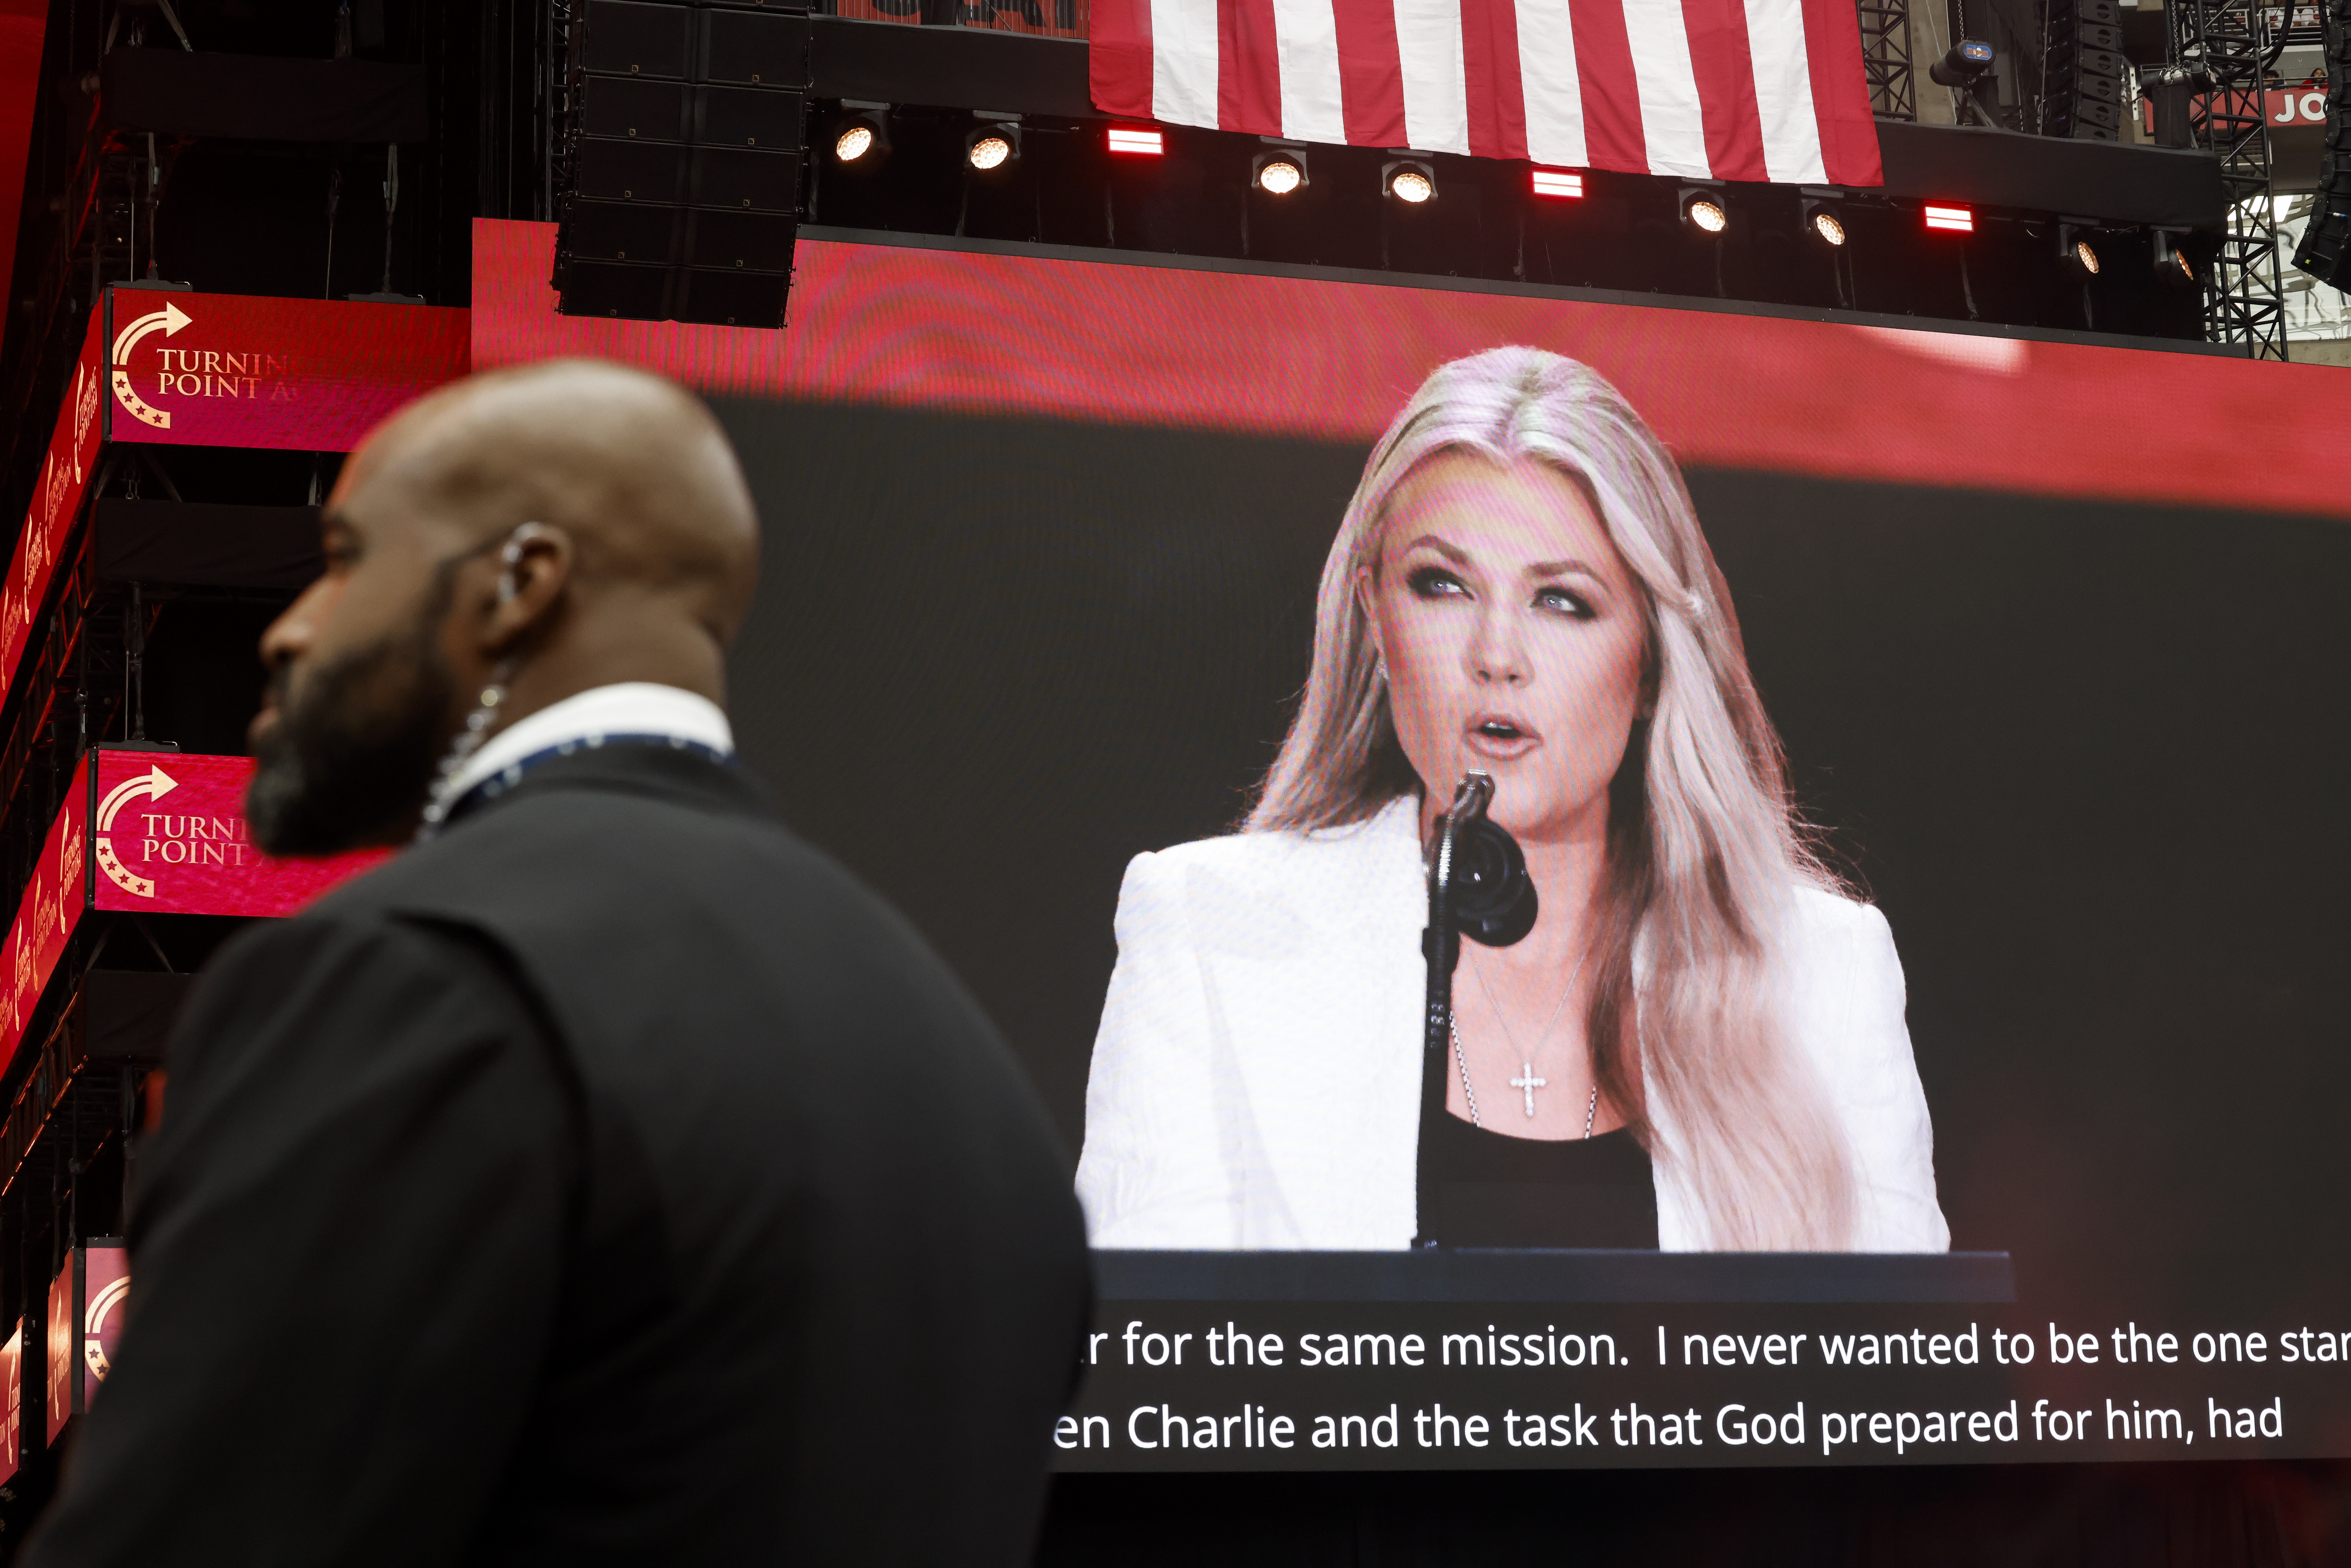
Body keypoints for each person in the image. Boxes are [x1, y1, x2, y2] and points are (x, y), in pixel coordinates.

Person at [26, 360, 1092, 1566]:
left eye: (345, 559)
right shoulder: (983, 1096)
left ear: (520, 583)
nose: (289, 630)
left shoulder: (404, 976)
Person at [1075, 347, 1945, 1255]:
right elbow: (1148, 1341)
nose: (1497, 655)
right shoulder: (1211, 932)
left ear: (1651, 661)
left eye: (1562, 601)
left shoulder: (1824, 977)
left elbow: (1899, 1347)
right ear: (1374, 615)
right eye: (1443, 585)